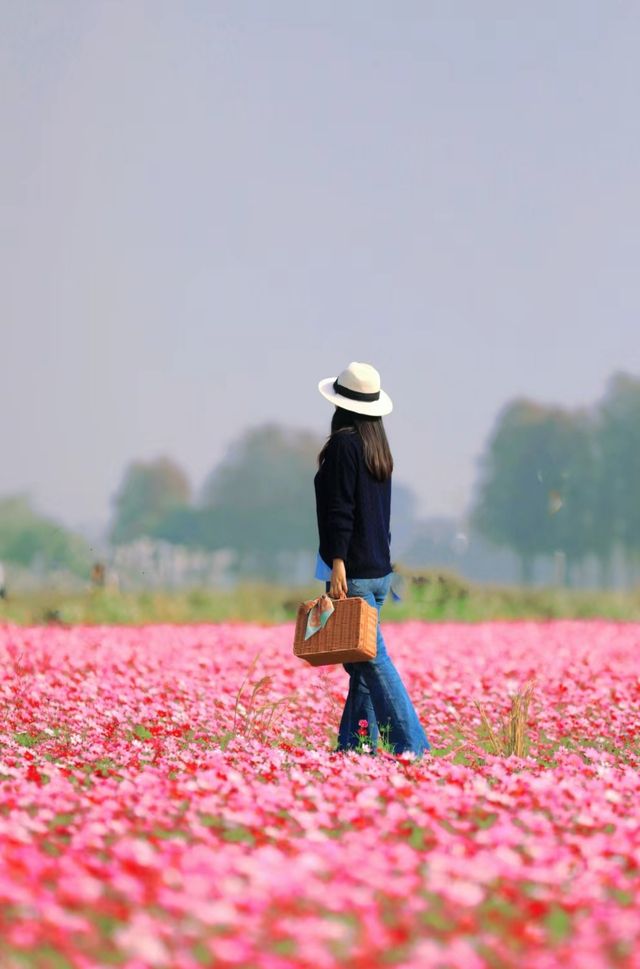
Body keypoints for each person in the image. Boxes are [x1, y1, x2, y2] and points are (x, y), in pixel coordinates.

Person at [314, 361, 430, 757]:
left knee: (372, 663)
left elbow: (340, 511)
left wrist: (338, 561)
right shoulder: (378, 449)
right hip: (379, 571)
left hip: (356, 572)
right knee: (360, 668)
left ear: (340, 407)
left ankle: (410, 743)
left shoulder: (344, 446)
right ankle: (356, 746)